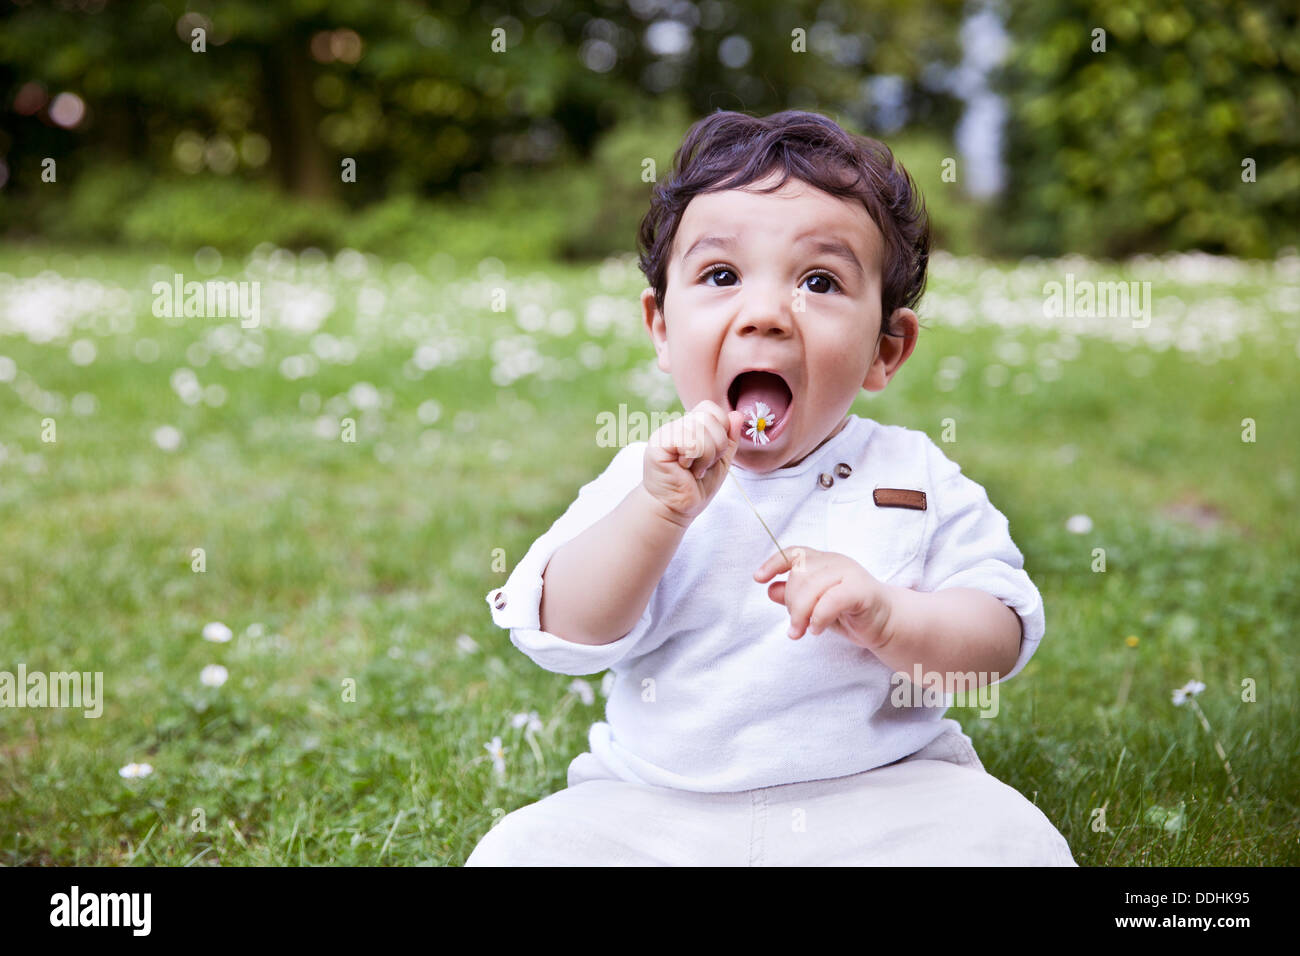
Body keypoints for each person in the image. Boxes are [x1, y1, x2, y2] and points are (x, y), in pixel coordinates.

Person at [470, 109, 1076, 866]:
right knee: (522, 850)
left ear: (886, 349)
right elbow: (566, 629)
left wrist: (891, 617)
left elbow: (996, 640)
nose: (765, 316)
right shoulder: (647, 478)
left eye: (819, 282)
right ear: (661, 326)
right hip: (658, 809)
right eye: (721, 276)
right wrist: (655, 518)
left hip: (884, 798)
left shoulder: (915, 476)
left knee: (1011, 840)